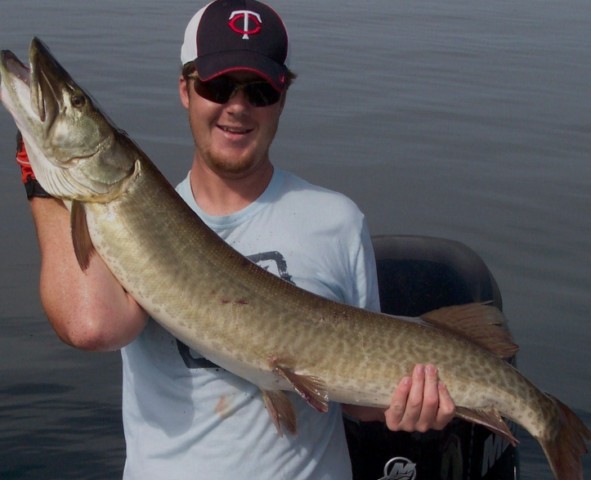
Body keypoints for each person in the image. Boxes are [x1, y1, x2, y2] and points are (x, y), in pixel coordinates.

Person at [16, 0, 455, 478]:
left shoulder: (337, 221)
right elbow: (92, 327)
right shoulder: (133, 223)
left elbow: (354, 391)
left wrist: (411, 401)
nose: (238, 106)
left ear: (282, 98)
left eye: (259, 91)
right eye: (217, 86)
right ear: (185, 90)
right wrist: (42, 182)